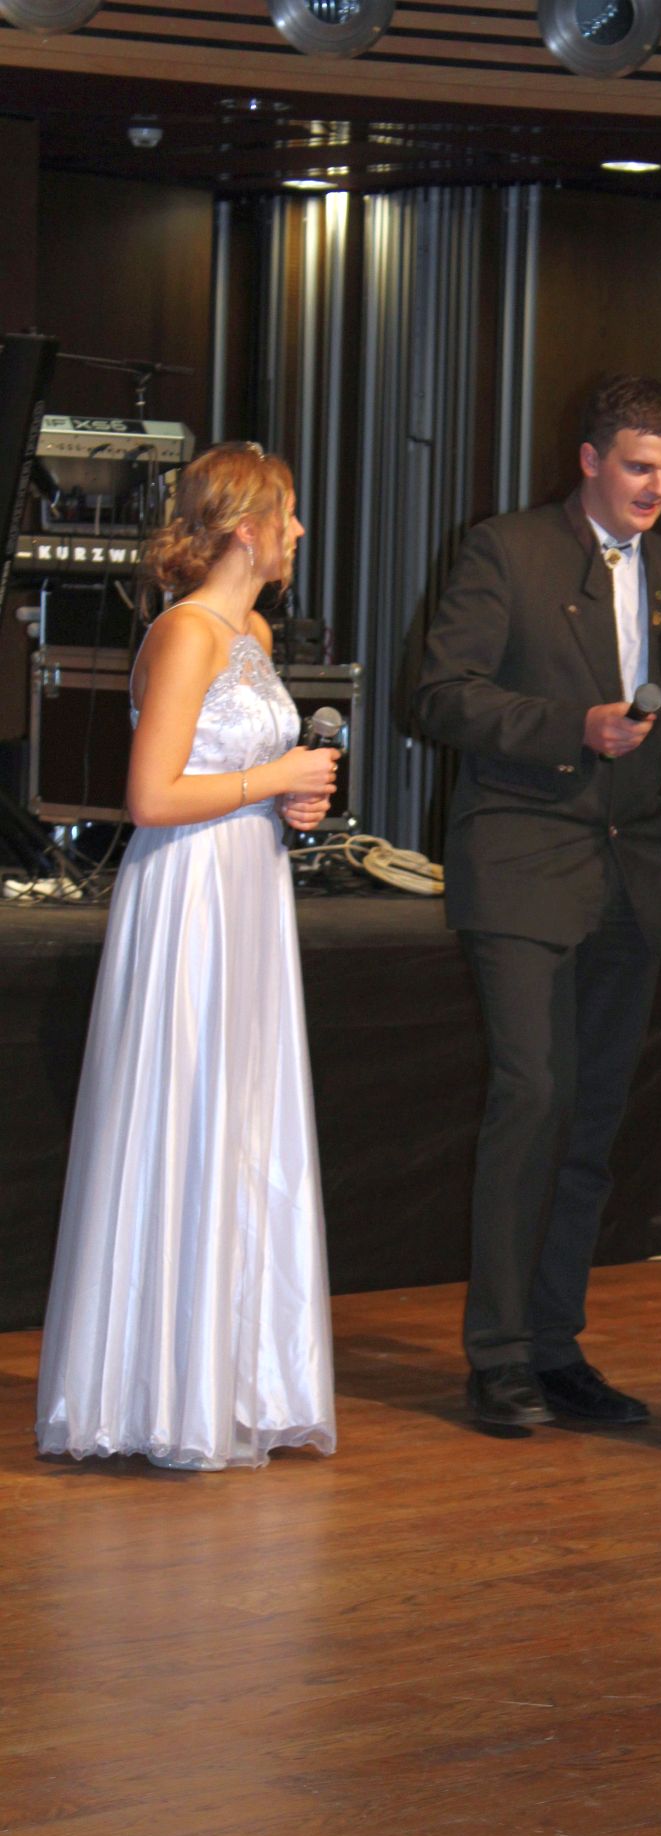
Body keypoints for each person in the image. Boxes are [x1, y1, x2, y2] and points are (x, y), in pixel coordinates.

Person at [418, 373, 661, 1431]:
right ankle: (498, 1357)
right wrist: (570, 727)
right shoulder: (506, 550)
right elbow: (441, 695)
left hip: (631, 869)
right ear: (589, 459)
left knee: (589, 1119)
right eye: (639, 466)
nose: (656, 487)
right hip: (522, 857)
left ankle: (554, 1348)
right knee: (532, 1098)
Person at [35, 442, 341, 1471]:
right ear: (247, 529)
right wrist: (274, 779)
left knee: (243, 1119)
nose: (298, 531)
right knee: (185, 1110)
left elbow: (241, 769)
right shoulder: (184, 633)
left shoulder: (253, 631)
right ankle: (160, 1393)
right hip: (189, 895)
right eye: (287, 516)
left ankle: (237, 1379)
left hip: (248, 885)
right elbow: (151, 796)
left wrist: (292, 799)